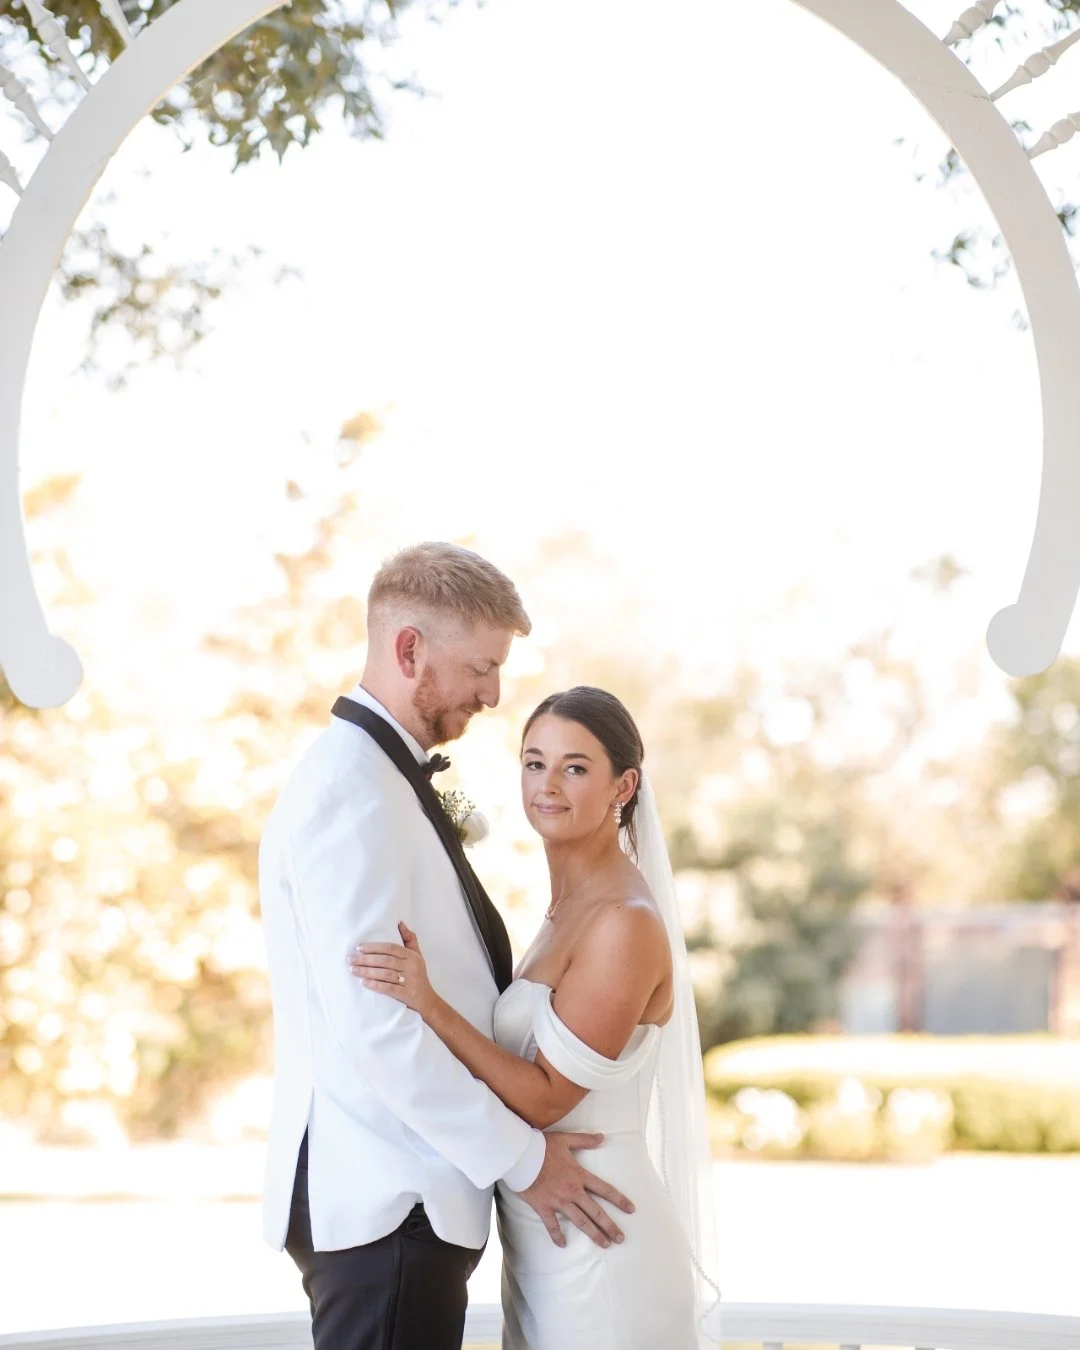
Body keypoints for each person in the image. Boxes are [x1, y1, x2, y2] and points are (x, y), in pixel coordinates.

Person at [258, 544, 633, 1350]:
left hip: (409, 1198)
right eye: (481, 668)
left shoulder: (389, 778)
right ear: (409, 651)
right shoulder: (351, 792)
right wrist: (525, 1161)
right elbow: (377, 1026)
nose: (494, 695)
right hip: (393, 1200)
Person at [351, 685, 722, 1349]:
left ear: (623, 785)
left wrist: (428, 1004)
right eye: (534, 763)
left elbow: (548, 1098)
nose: (547, 785)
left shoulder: (624, 922)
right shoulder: (566, 909)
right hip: (546, 1233)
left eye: (575, 767)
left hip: (602, 1233)